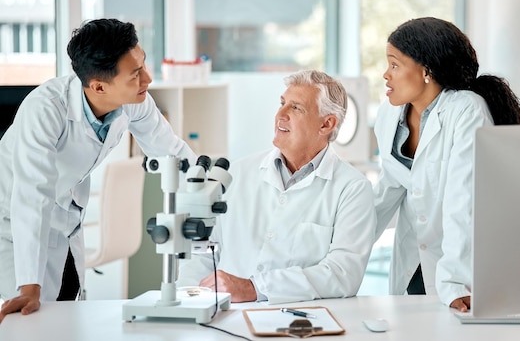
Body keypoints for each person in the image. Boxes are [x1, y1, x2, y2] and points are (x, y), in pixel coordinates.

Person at [0, 18, 196, 322]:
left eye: (143, 65)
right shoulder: (45, 110)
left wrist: (208, 189)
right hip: (12, 228)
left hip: (65, 224)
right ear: (99, 85)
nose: (147, 79)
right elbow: (31, 197)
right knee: (25, 320)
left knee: (66, 316)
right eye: (135, 74)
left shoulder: (132, 100)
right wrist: (29, 285)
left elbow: (171, 151)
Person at [373, 17, 520, 312]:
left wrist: (455, 281)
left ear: (426, 71)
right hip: (415, 262)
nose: (386, 75)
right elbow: (388, 189)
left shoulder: (466, 110)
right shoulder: (389, 115)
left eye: (394, 65)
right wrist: (339, 249)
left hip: (460, 268)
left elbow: (464, 198)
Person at [177, 69, 376, 304]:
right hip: (226, 314)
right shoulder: (236, 174)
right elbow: (200, 253)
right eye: (282, 103)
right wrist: (188, 303)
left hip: (301, 323)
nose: (280, 114)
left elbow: (343, 274)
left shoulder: (352, 188)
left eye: (296, 108)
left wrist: (255, 288)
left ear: (326, 124)